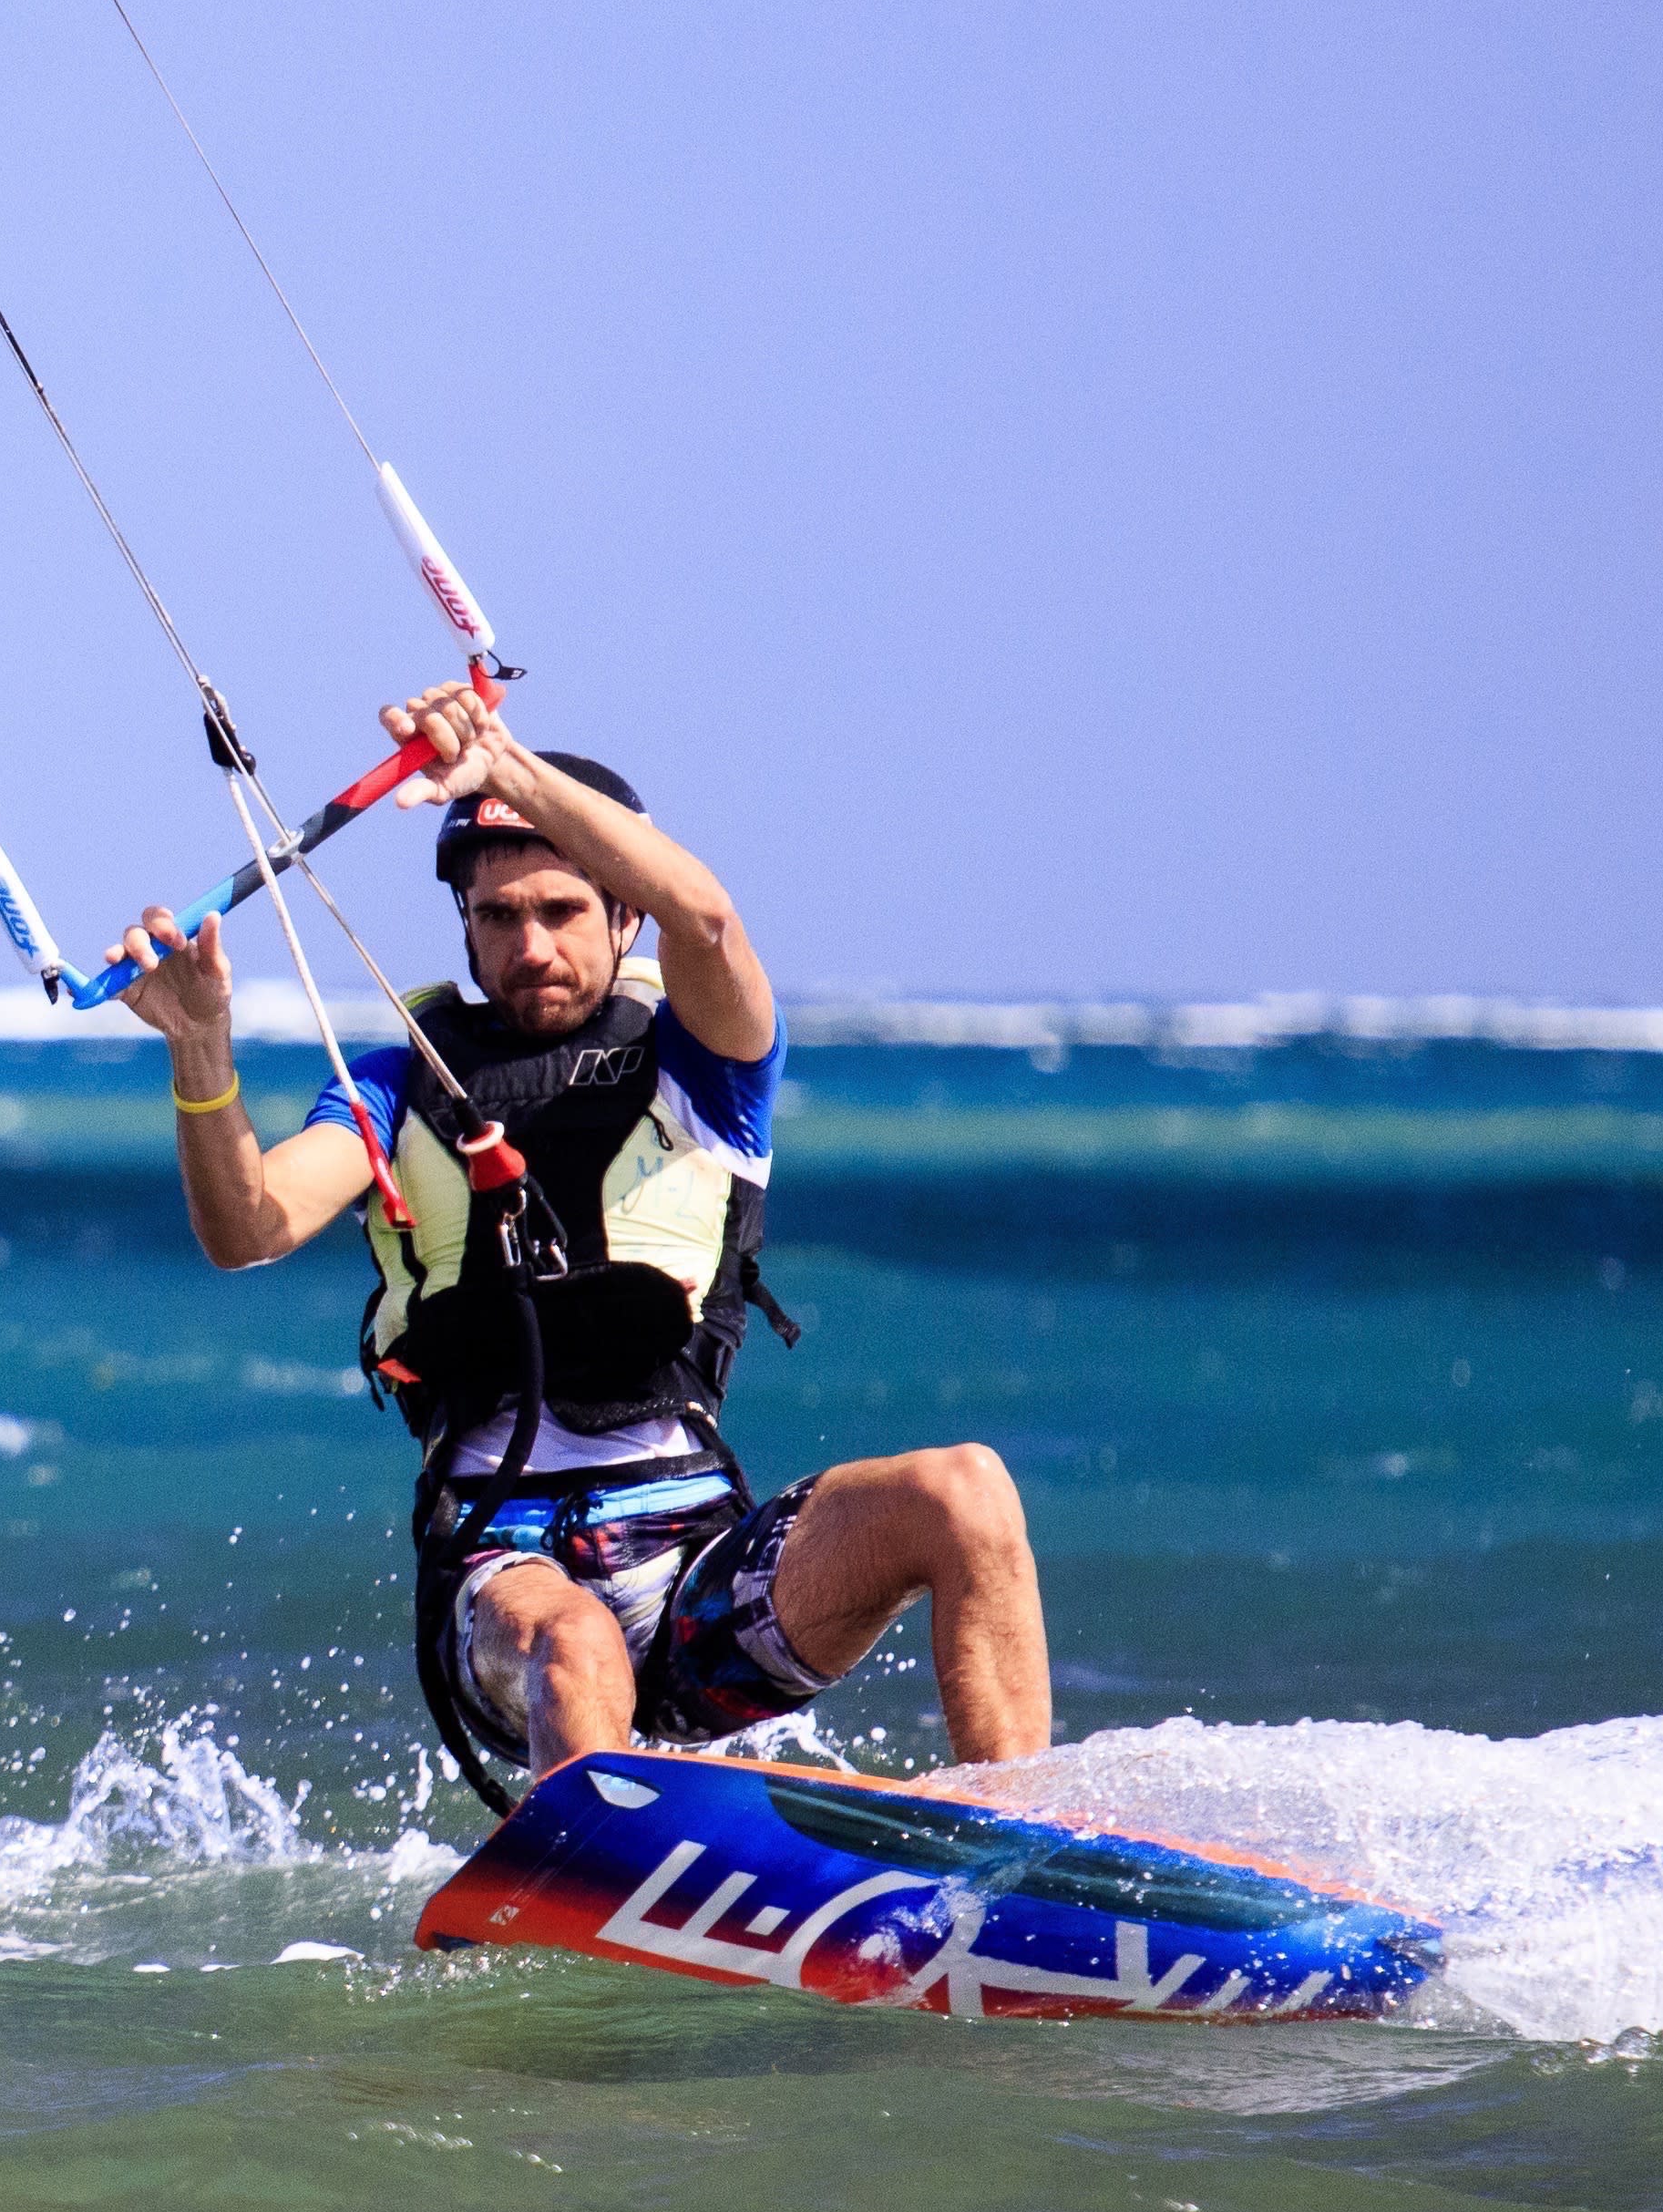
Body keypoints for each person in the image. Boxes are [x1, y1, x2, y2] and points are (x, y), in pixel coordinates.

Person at [116, 688, 1056, 1800]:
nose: (531, 945)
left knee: (966, 1489)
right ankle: (594, 1886)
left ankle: (1021, 1841)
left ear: (623, 917)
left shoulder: (705, 1064)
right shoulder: (398, 1083)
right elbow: (247, 1226)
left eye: (563, 909)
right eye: (498, 917)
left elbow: (707, 921)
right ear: (464, 926)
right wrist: (200, 1055)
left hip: (703, 1576)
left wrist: (503, 768)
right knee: (579, 1640)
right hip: (505, 1582)